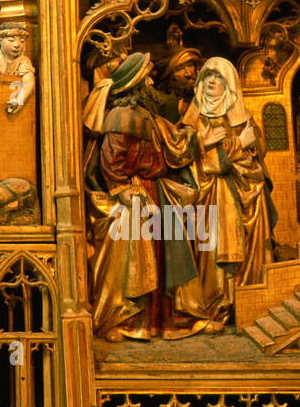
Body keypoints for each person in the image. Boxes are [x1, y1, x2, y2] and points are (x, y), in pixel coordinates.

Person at [82, 51, 214, 341]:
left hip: (156, 190)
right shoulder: (120, 116)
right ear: (135, 85)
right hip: (134, 193)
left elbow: (172, 146)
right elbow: (110, 158)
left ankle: (172, 319)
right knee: (135, 257)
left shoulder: (147, 116)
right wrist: (120, 189)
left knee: (169, 254)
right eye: (147, 79)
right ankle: (126, 319)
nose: (153, 83)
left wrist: (197, 135)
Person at [179, 57, 277, 327]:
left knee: (246, 242)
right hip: (207, 199)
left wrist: (245, 147)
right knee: (210, 251)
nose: (212, 82)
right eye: (208, 76)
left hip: (243, 193)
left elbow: (257, 157)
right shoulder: (192, 122)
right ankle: (214, 305)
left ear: (230, 85)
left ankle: (246, 302)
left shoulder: (244, 117)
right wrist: (237, 145)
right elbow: (194, 160)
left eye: (219, 78)